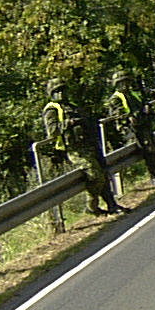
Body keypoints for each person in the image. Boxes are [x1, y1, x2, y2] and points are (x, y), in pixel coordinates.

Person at [43, 77, 120, 215]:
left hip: (89, 144)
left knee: (104, 173)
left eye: (63, 90)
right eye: (57, 91)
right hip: (75, 150)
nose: (61, 94)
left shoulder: (73, 106)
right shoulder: (52, 109)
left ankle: (112, 205)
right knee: (95, 175)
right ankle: (91, 207)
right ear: (51, 94)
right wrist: (69, 123)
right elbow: (52, 131)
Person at [109, 70, 155, 184]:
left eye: (127, 82)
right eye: (122, 82)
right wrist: (131, 117)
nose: (125, 85)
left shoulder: (133, 94)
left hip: (144, 126)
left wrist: (146, 107)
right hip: (132, 130)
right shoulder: (116, 98)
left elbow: (143, 103)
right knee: (149, 151)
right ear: (117, 84)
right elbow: (119, 114)